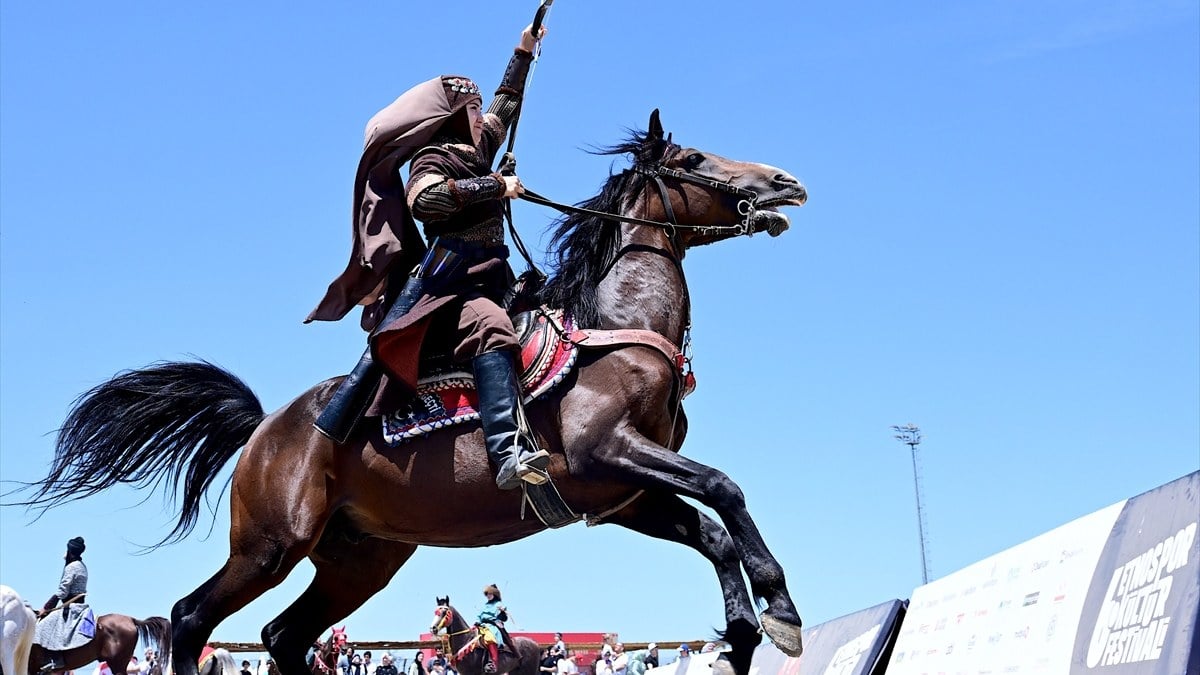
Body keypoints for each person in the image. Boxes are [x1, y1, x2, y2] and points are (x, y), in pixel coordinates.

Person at [306, 19, 552, 491]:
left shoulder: (477, 146)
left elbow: (507, 102)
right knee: (493, 327)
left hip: (488, 276)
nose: (484, 117)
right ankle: (507, 453)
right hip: (448, 287)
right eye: (474, 109)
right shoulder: (432, 158)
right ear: (454, 115)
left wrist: (523, 52)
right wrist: (496, 185)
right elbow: (427, 200)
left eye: (480, 109)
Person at [34, 537, 93, 673]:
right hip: (80, 606)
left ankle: (54, 660)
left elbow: (62, 591)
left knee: (43, 627)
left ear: (70, 552)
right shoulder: (82, 566)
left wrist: (46, 608)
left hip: (72, 608)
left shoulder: (72, 567)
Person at [475, 584, 513, 672]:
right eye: (487, 594)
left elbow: (504, 618)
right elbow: (479, 616)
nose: (488, 596)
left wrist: (503, 612)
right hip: (481, 625)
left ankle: (493, 663)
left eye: (490, 594)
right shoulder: (484, 605)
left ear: (494, 594)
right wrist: (477, 621)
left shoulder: (499, 604)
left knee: (489, 637)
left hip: (492, 626)